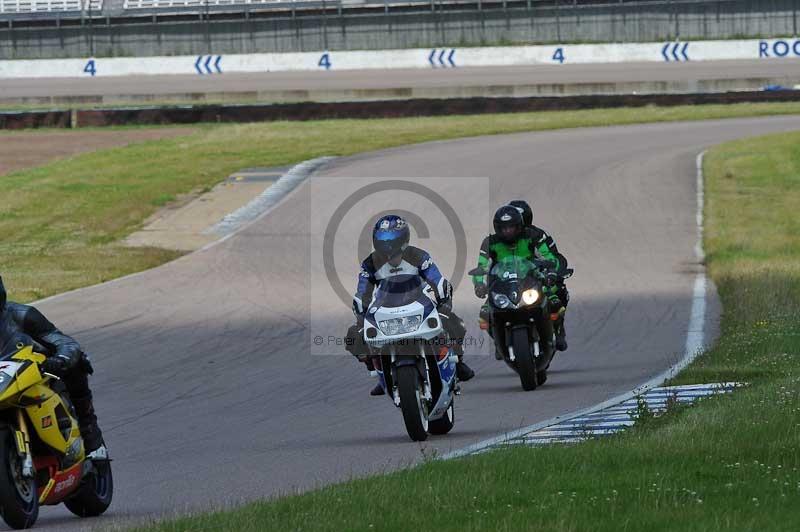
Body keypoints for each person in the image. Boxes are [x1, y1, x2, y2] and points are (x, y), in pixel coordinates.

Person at [346, 215, 474, 395]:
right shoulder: (370, 264)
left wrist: (443, 299)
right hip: (385, 308)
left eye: (392, 241)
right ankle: (379, 371)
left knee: (454, 323)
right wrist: (361, 310)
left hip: (418, 303)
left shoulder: (418, 256)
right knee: (353, 336)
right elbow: (362, 290)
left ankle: (458, 362)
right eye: (383, 242)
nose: (388, 247)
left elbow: (436, 279)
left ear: (403, 239)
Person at [0, 276, 107, 458]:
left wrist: (61, 359)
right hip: (3, 387)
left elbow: (64, 342)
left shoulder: (21, 315)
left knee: (78, 361)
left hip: (32, 377)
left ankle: (89, 427)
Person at [472, 205, 568, 356]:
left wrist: (551, 272)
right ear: (497, 228)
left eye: (511, 227)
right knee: (485, 313)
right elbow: (481, 266)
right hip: (502, 285)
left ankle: (558, 331)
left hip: (531, 280)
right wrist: (478, 284)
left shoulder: (532, 235)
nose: (508, 231)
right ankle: (499, 341)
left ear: (519, 225)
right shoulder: (489, 242)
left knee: (555, 301)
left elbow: (549, 256)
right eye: (504, 228)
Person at [507, 200, 570, 351]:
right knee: (488, 306)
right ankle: (499, 337)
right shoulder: (503, 238)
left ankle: (559, 328)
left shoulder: (538, 235)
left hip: (535, 278)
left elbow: (555, 257)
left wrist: (554, 271)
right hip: (511, 280)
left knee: (559, 290)